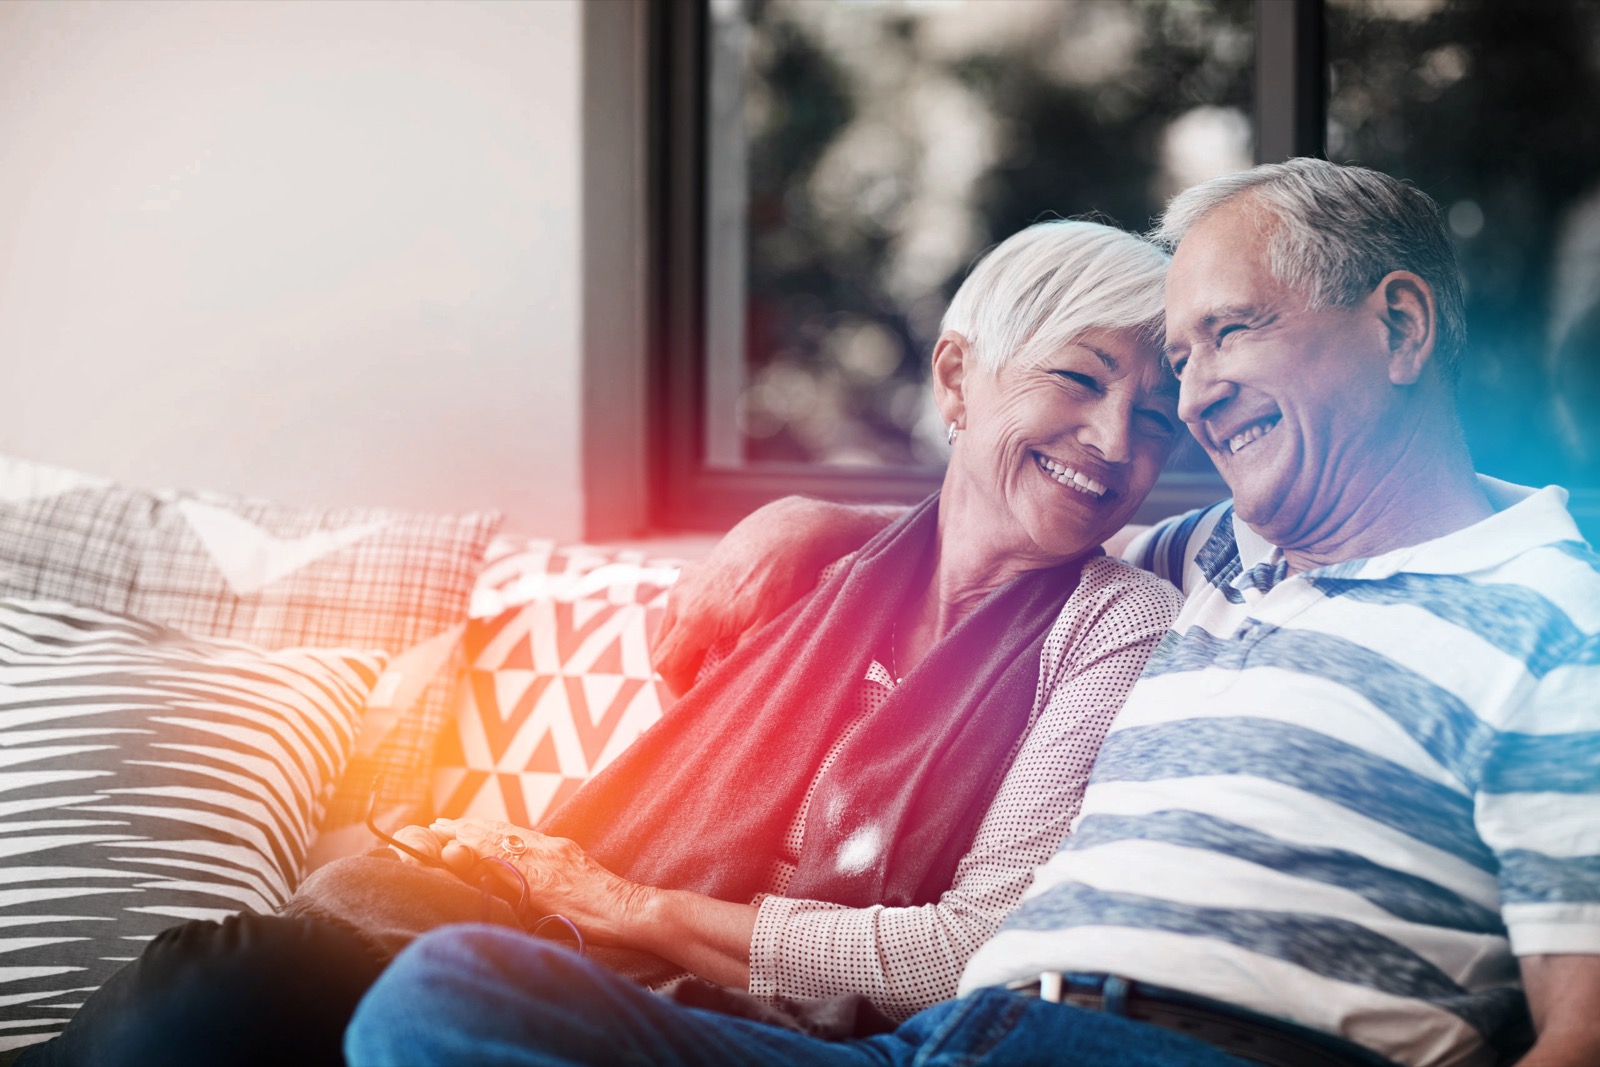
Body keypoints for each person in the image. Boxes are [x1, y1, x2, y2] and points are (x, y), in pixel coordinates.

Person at [343, 158, 1600, 1067]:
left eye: (1228, 336)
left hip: (1204, 1049)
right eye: (1183, 359)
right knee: (450, 992)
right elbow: (1008, 519)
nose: (1197, 400)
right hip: (956, 1038)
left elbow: (1581, 1030)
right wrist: (810, 522)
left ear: (1397, 324)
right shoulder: (1216, 548)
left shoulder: (1553, 628)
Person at [19, 220, 1189, 1067]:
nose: (1109, 438)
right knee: (219, 972)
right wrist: (806, 518)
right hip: (529, 932)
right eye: (1077, 378)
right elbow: (939, 535)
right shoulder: (821, 566)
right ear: (957, 378)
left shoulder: (1115, 622)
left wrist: (611, 900)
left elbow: (957, 954)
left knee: (229, 990)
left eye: (1152, 415)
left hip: (699, 1008)